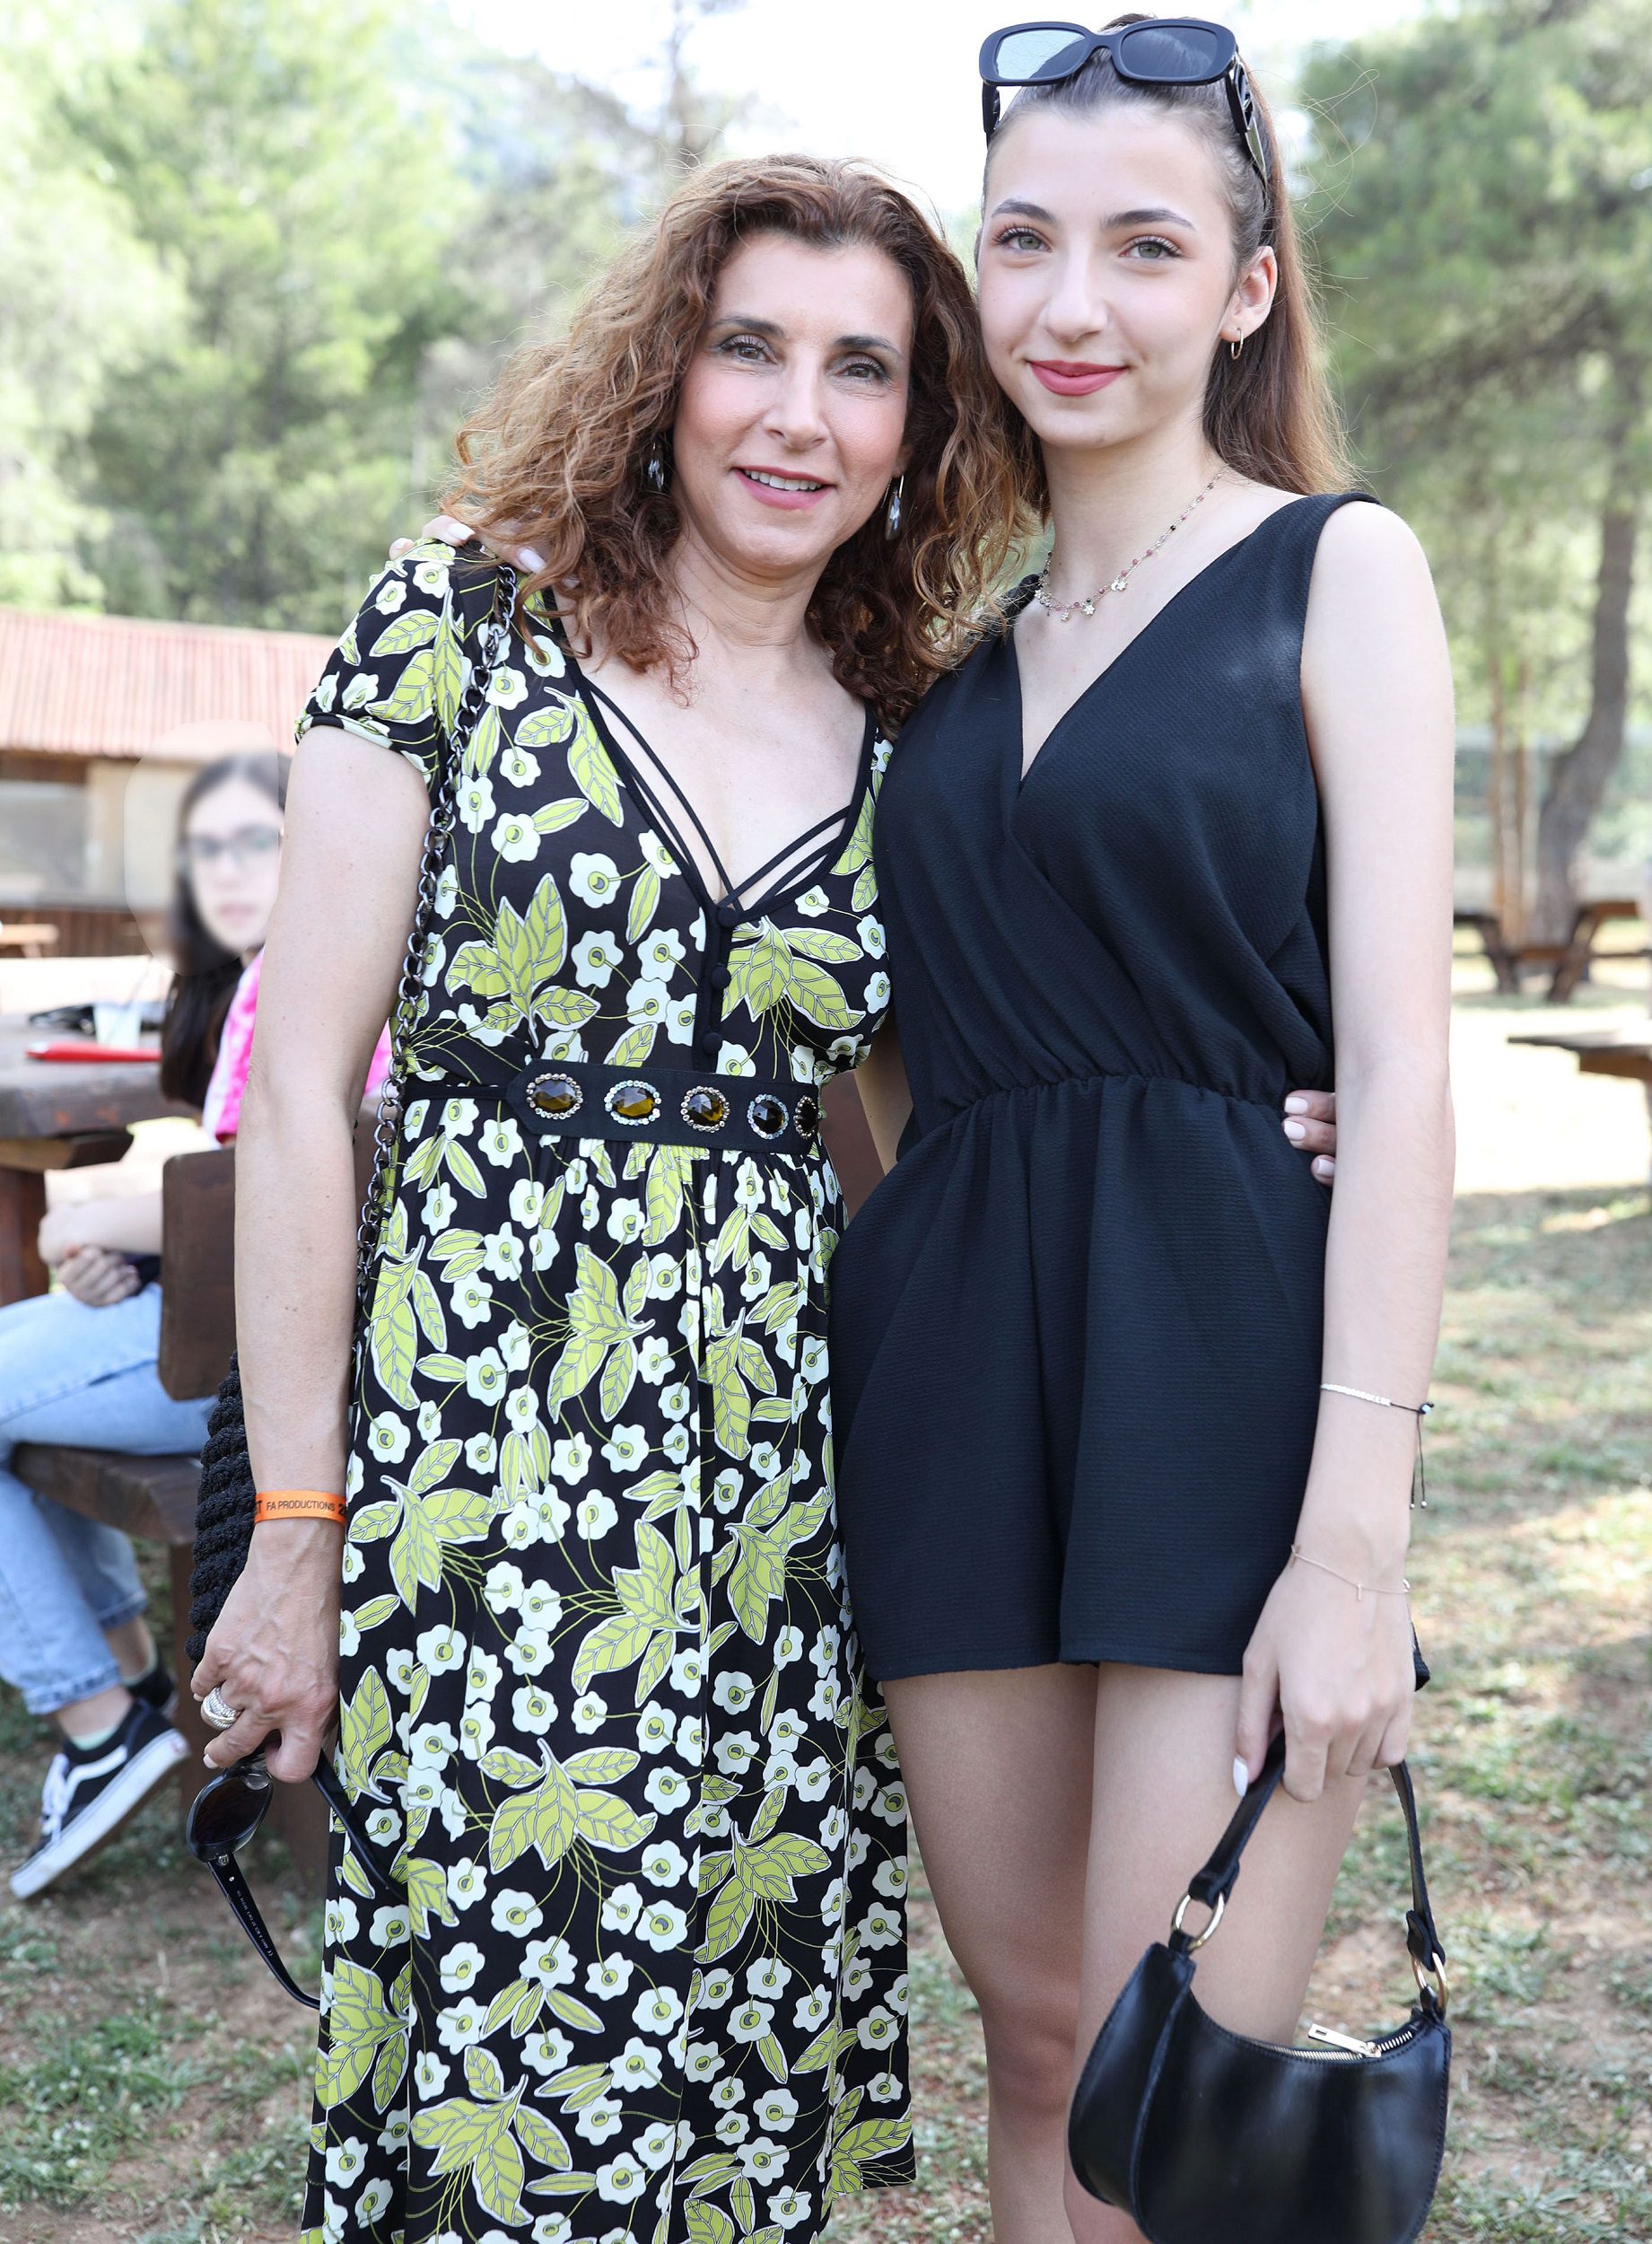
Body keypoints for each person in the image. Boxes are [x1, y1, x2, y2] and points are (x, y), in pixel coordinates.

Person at [189, 156, 1036, 2244]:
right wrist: (296, 1529)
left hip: (778, 1504)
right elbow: (296, 1093)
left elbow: (972, 1125)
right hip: (486, 1472)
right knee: (514, 2068)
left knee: (730, 2073)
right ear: (667, 367)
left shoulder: (914, 733)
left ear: (920, 423)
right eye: (751, 347)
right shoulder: (453, 627)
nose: (796, 415)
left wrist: (1269, 1110)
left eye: (862, 368)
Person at [825, 21, 1455, 2244]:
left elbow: (1400, 1062)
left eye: (1143, 246)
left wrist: (1352, 1546)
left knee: (1154, 2080)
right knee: (1027, 2040)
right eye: (1022, 241)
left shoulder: (1333, 572)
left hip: (1219, 1360)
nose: (1070, 300)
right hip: (956, 1378)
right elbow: (879, 1047)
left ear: (1247, 286)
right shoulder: (939, 655)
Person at [0, 750, 375, 1900]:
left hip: (254, 1370)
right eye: (203, 848)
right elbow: (220, 1203)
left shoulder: (358, 981)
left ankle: (99, 1720)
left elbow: (310, 1179)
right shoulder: (251, 986)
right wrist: (127, 1243)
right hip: (203, 1322)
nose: (226, 869)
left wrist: (88, 1220)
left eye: (257, 840)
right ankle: (127, 1684)